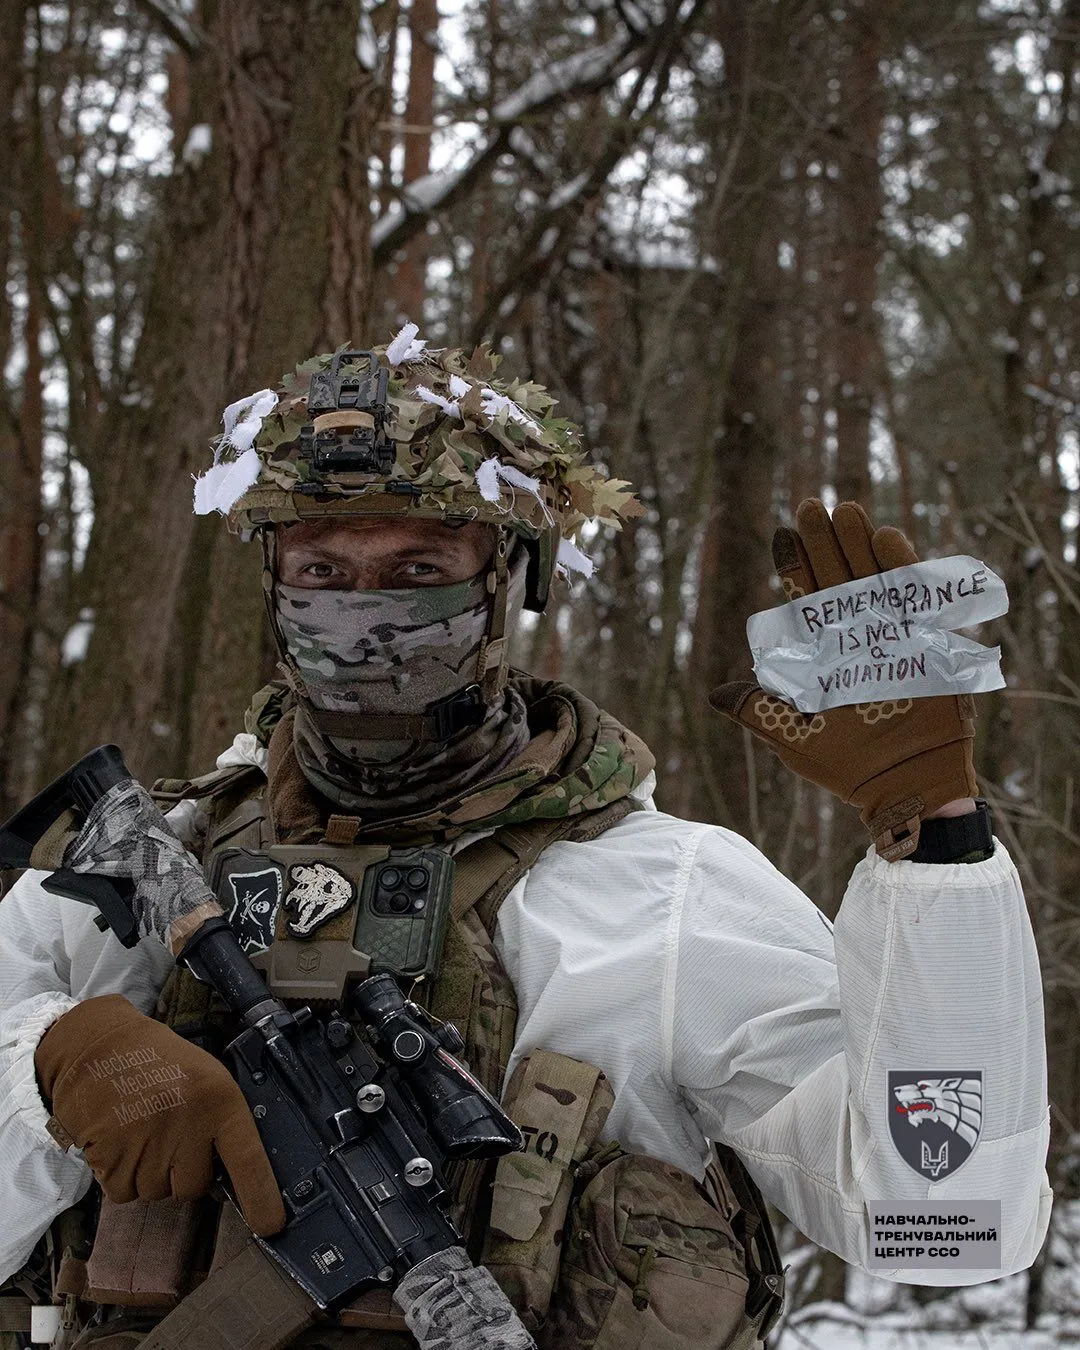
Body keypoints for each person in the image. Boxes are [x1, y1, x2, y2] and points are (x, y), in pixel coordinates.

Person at [0, 338, 1050, 1349]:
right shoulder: (124, 878)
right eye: (322, 568)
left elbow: (955, 1220)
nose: (362, 611)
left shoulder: (665, 894)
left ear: (508, 577)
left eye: (419, 570)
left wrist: (939, 844)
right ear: (275, 585)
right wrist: (49, 1068)